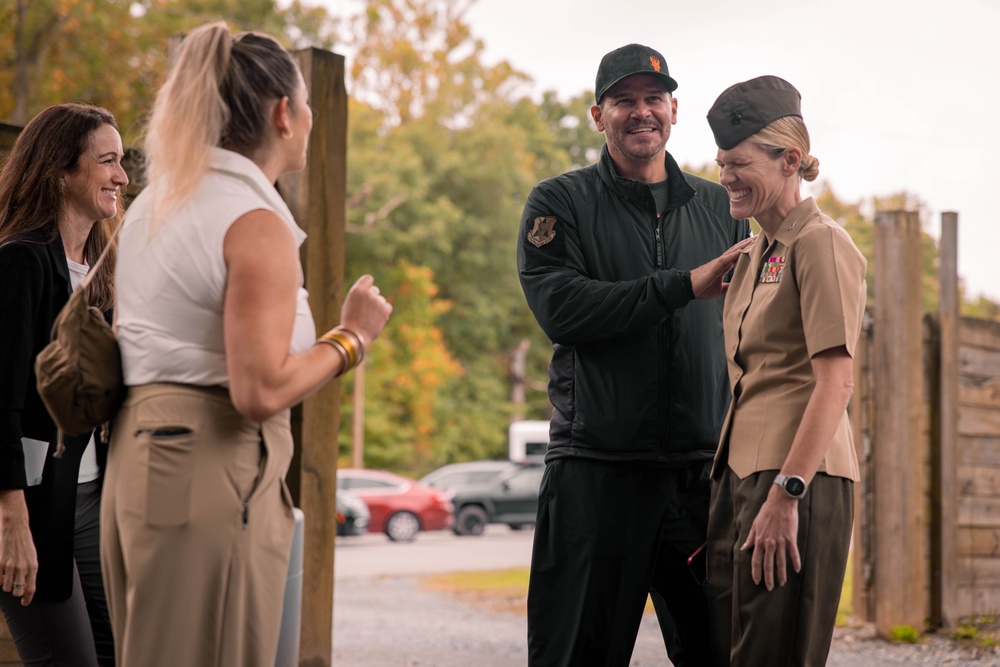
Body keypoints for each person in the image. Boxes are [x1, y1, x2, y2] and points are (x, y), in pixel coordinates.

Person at [100, 22, 392, 667]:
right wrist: (352, 337)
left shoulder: (156, 203)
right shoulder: (252, 218)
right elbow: (258, 391)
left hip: (141, 458)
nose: (311, 118)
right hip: (209, 465)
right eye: (307, 105)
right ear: (284, 114)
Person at [517, 43, 753, 667]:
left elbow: (751, 337)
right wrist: (683, 285)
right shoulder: (558, 203)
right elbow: (562, 309)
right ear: (599, 115)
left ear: (674, 109)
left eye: (653, 99)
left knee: (722, 654)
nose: (640, 112)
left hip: (700, 478)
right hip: (597, 472)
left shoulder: (722, 206)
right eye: (624, 100)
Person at [705, 76, 867, 666]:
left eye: (740, 163)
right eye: (721, 163)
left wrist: (786, 493)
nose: (725, 177)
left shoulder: (821, 244)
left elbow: (836, 381)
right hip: (739, 476)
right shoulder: (754, 255)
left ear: (790, 161)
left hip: (797, 480)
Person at [0, 103, 126, 666]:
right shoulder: (20, 263)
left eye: (122, 162)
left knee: (121, 650)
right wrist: (12, 518)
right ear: (61, 172)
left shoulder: (105, 270)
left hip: (92, 498)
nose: (122, 176)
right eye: (107, 161)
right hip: (26, 504)